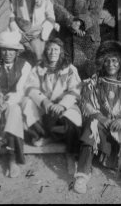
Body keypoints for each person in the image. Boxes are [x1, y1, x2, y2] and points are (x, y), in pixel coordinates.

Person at [74, 41, 121, 196]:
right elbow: (86, 103)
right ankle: (82, 175)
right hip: (103, 125)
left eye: (114, 60)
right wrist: (101, 118)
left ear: (120, 62)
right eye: (107, 60)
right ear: (102, 62)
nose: (110, 64)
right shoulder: (94, 81)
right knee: (91, 125)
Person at [22, 38, 82, 174]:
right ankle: (44, 136)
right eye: (49, 49)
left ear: (61, 51)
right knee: (26, 104)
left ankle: (71, 154)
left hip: (63, 107)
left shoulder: (70, 69)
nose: (52, 52)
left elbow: (75, 90)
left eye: (56, 49)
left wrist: (62, 105)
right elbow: (30, 87)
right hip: (45, 107)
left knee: (72, 123)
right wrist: (44, 101)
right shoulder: (38, 68)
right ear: (45, 51)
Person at [0, 31, 32, 178]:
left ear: (17, 52)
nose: (8, 53)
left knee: (14, 111)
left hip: (16, 101)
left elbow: (21, 90)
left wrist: (8, 103)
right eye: (4, 49)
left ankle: (12, 157)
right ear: (0, 51)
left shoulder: (25, 66)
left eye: (11, 50)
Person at [53, 0, 105, 79]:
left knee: (90, 73)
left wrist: (81, 22)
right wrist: (71, 22)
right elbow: (57, 9)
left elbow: (95, 12)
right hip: (68, 37)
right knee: (69, 74)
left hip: (89, 37)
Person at [10, 0, 56, 64]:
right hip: (21, 33)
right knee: (22, 62)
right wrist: (18, 33)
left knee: (38, 61)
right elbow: (11, 14)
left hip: (38, 34)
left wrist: (42, 32)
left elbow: (51, 16)